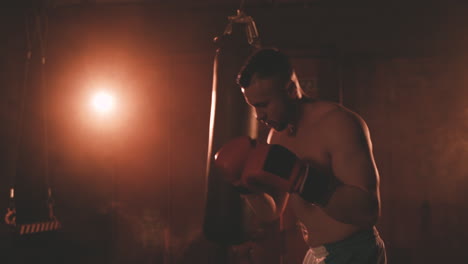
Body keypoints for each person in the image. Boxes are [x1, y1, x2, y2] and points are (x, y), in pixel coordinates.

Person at [214, 48, 387, 264]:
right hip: (317, 254)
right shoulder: (276, 137)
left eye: (263, 105)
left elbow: (367, 212)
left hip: (354, 252)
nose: (259, 116)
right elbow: (273, 211)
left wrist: (303, 179)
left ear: (291, 89)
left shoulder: (338, 124)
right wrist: (245, 188)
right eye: (253, 107)